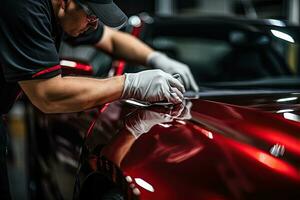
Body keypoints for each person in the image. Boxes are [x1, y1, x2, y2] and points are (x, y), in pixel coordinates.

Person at [0, 0, 198, 199]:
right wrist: (131, 84)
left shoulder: (65, 15)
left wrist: (156, 58)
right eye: (92, 16)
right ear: (64, 3)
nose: (94, 24)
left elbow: (111, 39)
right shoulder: (23, 6)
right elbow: (47, 94)